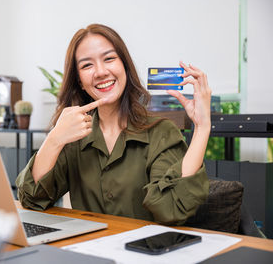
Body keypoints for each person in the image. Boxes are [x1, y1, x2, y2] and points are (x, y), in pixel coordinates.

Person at [16, 24, 210, 225]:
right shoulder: (74, 136)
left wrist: (202, 127)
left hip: (145, 252)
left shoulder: (161, 132)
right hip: (88, 250)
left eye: (109, 59)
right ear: (80, 81)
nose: (100, 72)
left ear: (124, 66)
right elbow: (32, 199)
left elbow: (170, 209)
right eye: (86, 65)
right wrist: (55, 138)